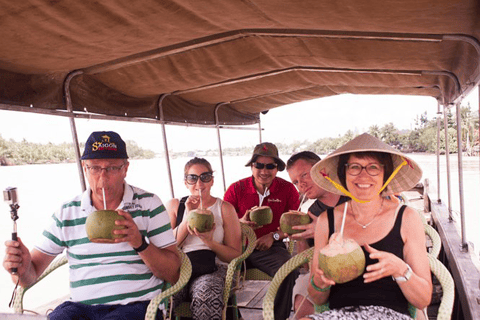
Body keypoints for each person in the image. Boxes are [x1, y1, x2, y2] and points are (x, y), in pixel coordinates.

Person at [3, 131, 180, 320]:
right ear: (84, 169)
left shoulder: (149, 204)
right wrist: (21, 268)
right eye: (95, 168)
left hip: (136, 305)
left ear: (125, 168)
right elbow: (30, 276)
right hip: (80, 308)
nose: (103, 178)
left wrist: (139, 243)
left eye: (112, 168)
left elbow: (173, 274)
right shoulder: (66, 213)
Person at [301, 133, 432, 320]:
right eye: (354, 167)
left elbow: (423, 299)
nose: (363, 176)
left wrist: (400, 269)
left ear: (385, 174)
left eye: (373, 168)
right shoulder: (326, 220)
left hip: (391, 315)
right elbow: (317, 298)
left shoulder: (406, 218)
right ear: (343, 173)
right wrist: (320, 283)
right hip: (339, 315)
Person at [224, 142, 300, 320]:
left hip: (268, 248)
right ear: (252, 166)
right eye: (259, 165)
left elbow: (294, 224)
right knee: (214, 275)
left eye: (270, 166)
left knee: (289, 271)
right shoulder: (236, 189)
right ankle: (231, 317)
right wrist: (240, 223)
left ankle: (277, 317)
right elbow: (223, 221)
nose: (264, 171)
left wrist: (273, 236)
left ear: (277, 169)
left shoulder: (288, 189)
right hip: (236, 246)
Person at [165, 157, 242, 320]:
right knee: (163, 298)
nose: (199, 184)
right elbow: (167, 245)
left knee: (205, 295)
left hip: (213, 268)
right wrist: (189, 217)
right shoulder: (175, 205)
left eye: (205, 177)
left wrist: (210, 242)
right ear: (185, 182)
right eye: (193, 178)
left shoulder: (225, 208)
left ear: (212, 180)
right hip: (179, 268)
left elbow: (235, 255)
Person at [286, 151, 348, 319]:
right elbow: (306, 267)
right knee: (301, 295)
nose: (301, 185)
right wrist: (301, 239)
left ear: (323, 169)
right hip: (326, 274)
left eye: (304, 175)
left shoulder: (352, 197)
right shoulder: (313, 212)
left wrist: (324, 229)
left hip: (359, 267)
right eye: (296, 182)